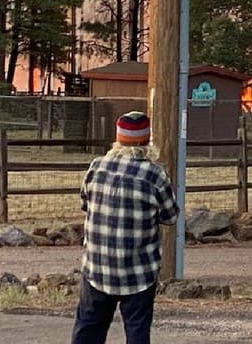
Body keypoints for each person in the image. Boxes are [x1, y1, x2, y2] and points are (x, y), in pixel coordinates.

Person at [71, 111, 179, 344]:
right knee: (137, 331)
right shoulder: (154, 174)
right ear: (146, 140)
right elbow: (170, 216)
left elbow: (85, 203)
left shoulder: (96, 167)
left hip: (97, 267)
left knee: (88, 329)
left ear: (118, 138)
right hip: (139, 271)